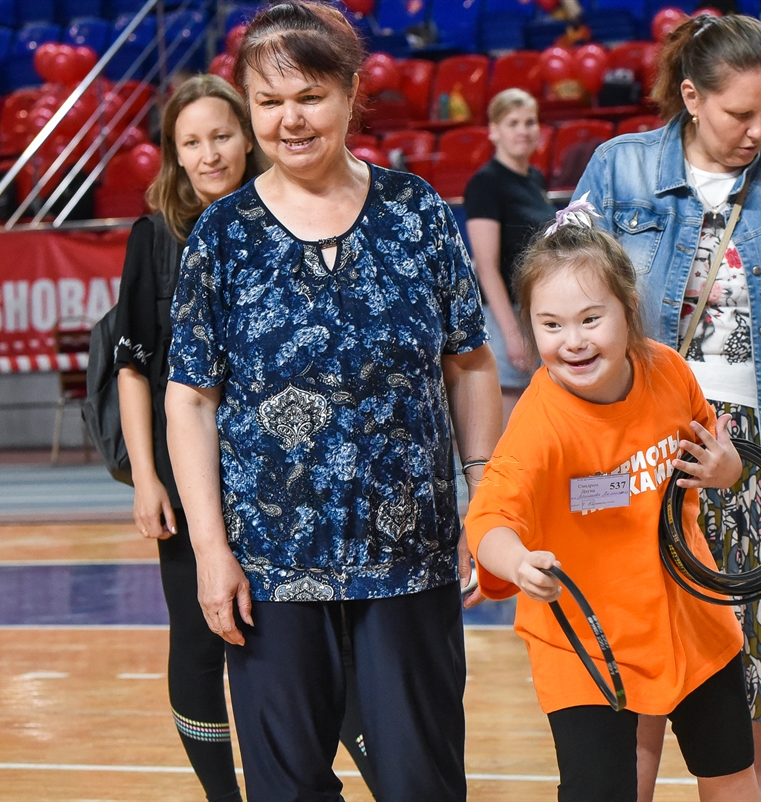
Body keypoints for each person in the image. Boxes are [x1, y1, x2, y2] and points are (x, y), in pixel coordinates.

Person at [163, 4, 501, 801]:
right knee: (287, 787)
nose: (290, 119)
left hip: (410, 561)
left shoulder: (417, 214)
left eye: (309, 96)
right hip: (269, 569)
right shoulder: (222, 237)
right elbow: (191, 404)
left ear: (352, 93)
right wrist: (212, 552)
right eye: (269, 101)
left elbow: (471, 362)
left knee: (422, 781)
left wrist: (485, 494)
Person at [574, 14, 761, 802]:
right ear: (691, 97)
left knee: (759, 679)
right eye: (741, 114)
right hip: (647, 444)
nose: (759, 131)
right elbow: (573, 295)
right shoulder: (619, 167)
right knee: (639, 672)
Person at [466, 208, 761, 802]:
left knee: (730, 772)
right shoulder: (539, 425)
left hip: (691, 617)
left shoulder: (669, 370)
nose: (571, 341)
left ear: (628, 311)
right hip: (584, 639)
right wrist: (517, 561)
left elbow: (714, 450)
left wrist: (727, 470)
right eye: (550, 325)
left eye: (590, 319)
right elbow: (488, 519)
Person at [112, 73, 260, 802]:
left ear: (249, 136)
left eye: (221, 136)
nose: (209, 154)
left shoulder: (283, 216)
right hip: (187, 470)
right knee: (199, 641)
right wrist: (146, 476)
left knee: (294, 638)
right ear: (173, 154)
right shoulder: (155, 236)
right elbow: (133, 365)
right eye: (191, 142)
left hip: (277, 472)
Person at [464, 88, 554, 424]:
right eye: (512, 122)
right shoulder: (485, 184)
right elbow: (486, 268)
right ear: (494, 130)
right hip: (504, 314)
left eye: (529, 122)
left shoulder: (534, 178)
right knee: (512, 424)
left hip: (535, 310)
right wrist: (512, 335)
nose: (523, 130)